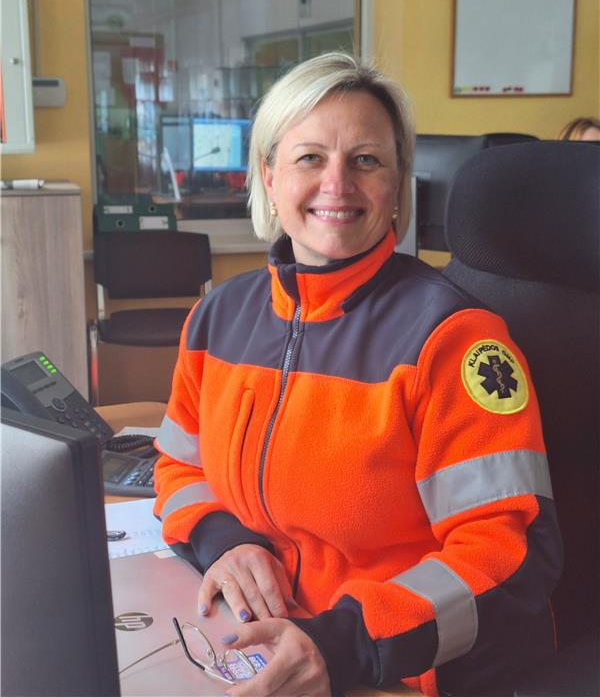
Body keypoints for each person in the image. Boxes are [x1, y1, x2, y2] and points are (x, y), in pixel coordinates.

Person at [153, 53, 562, 697]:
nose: (337, 183)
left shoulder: (453, 339)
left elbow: (509, 555)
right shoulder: (217, 318)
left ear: (398, 184)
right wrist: (222, 539)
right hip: (260, 639)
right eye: (309, 157)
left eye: (366, 160)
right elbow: (179, 465)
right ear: (269, 177)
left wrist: (346, 643)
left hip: (401, 670)